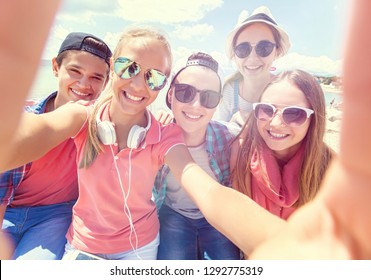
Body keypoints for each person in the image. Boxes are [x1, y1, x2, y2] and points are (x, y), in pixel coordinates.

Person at [2, 0, 371, 260]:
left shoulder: (170, 135)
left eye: (155, 76)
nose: (139, 83)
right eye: (130, 67)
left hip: (142, 247)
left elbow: (212, 194)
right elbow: (34, 133)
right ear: (114, 66)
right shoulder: (83, 117)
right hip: (82, 244)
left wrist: (294, 248)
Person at [0, 31, 111, 259]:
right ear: (55, 67)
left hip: (54, 216)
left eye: (96, 77)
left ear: (106, 83)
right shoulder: (27, 121)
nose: (83, 84)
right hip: (8, 212)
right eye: (75, 71)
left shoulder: (102, 125)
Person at [153, 52, 240, 260]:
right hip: (174, 213)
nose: (195, 105)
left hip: (215, 214)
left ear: (218, 103)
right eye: (185, 92)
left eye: (209, 97)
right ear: (170, 94)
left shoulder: (229, 137)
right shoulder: (155, 135)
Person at [231, 69, 333, 222]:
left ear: (314, 119)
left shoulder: (331, 167)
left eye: (293, 113)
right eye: (266, 109)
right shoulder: (241, 151)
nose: (276, 123)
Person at [214, 6, 290, 127]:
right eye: (243, 49)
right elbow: (219, 135)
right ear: (234, 54)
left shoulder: (286, 91)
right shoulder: (228, 90)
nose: (252, 57)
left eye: (264, 48)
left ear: (277, 51)